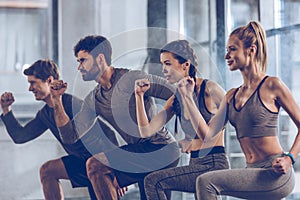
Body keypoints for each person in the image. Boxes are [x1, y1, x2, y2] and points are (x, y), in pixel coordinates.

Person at [177, 21, 299, 199]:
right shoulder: (231, 96)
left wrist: (289, 158)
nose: (227, 55)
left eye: (233, 49)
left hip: (275, 173)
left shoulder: (272, 85)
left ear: (251, 49)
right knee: (206, 182)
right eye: (227, 49)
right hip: (252, 172)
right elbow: (208, 135)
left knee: (205, 182)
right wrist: (187, 97)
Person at [49, 35, 180, 200]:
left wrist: (158, 125)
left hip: (161, 149)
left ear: (100, 59)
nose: (79, 67)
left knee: (95, 165)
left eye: (83, 60)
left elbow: (177, 95)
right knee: (98, 168)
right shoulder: (94, 99)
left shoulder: (131, 78)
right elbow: (69, 136)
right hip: (141, 153)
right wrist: (56, 101)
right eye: (78, 61)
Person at [0, 59, 119, 200]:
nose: (30, 89)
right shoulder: (45, 114)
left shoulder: (71, 104)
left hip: (100, 165)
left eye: (33, 83)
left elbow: (107, 133)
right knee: (47, 171)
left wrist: (118, 172)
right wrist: (6, 109)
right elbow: (20, 136)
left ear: (49, 80)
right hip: (81, 163)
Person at [134, 40, 230, 199]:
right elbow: (146, 131)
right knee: (153, 180)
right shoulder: (175, 99)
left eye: (168, 63)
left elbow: (232, 108)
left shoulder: (209, 89)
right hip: (195, 164)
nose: (163, 69)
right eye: (162, 64)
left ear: (185, 65)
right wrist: (139, 96)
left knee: (153, 181)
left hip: (213, 163)